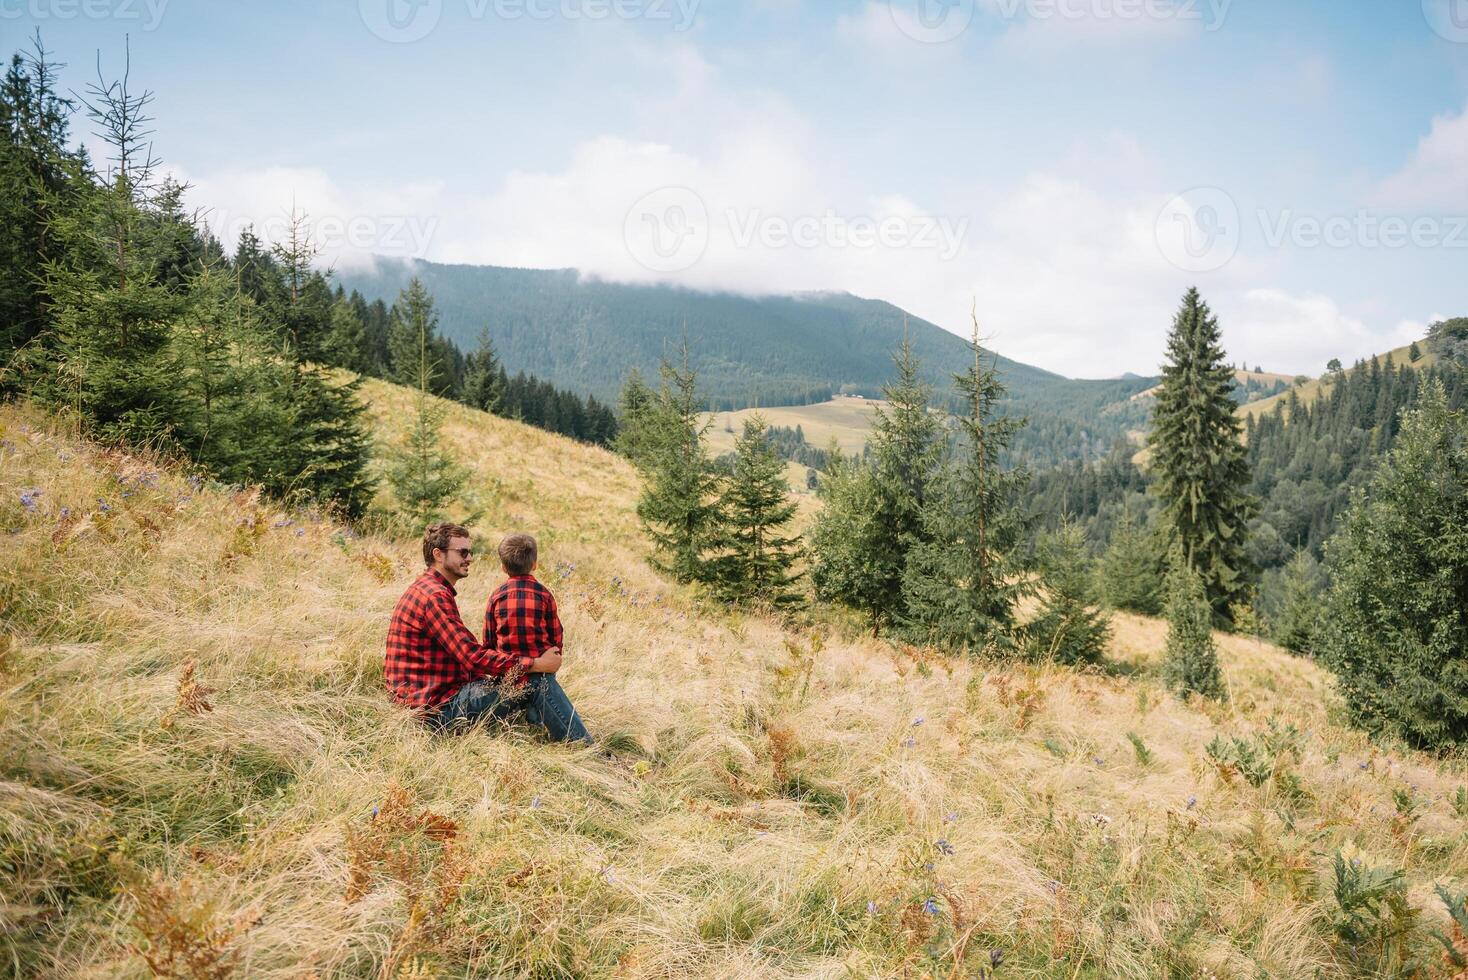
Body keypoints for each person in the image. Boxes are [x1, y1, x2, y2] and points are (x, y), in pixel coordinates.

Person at [384, 522, 589, 741]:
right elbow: (472, 657)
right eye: (462, 552)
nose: (469, 558)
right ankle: (585, 748)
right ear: (438, 555)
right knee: (535, 682)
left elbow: (467, 656)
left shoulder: (431, 589)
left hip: (430, 699)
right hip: (434, 711)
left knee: (521, 681)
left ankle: (542, 732)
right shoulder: (434, 597)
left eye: (470, 552)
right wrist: (536, 664)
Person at [482, 532, 589, 741]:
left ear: (503, 567)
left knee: (518, 702)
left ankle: (523, 728)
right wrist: (554, 657)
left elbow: (488, 641)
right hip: (541, 674)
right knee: (540, 695)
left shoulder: (496, 596)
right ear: (535, 565)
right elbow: (556, 635)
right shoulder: (544, 595)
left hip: (508, 674)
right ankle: (537, 727)